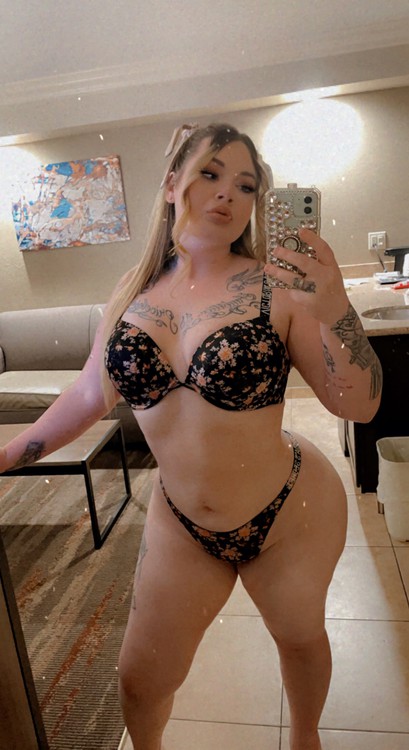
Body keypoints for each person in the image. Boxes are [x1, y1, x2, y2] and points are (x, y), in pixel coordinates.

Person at [0, 122, 382, 750]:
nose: (227, 193)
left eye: (246, 185)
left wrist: (336, 309)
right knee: (140, 680)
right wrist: (10, 454)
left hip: (288, 513)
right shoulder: (131, 291)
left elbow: (358, 406)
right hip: (182, 523)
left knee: (299, 636)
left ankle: (305, 739)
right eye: (210, 173)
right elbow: (91, 393)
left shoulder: (278, 289)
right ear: (173, 182)